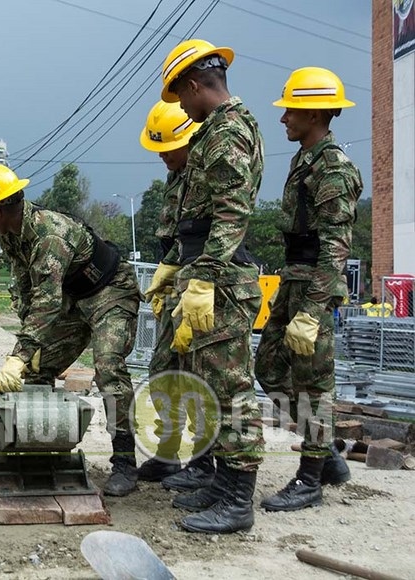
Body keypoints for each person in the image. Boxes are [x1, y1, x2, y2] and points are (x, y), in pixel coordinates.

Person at [0, 163, 142, 496]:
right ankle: (39, 450)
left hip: (110, 292)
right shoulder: (11, 236)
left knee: (108, 367)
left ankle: (125, 462)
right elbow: (26, 289)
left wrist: (19, 354)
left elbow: (47, 301)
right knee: (37, 369)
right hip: (73, 299)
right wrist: (30, 350)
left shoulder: (49, 235)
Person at [158, 39, 265, 533]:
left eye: (180, 96)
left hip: (220, 281)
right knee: (210, 388)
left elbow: (231, 212)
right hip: (206, 273)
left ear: (196, 85)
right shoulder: (218, 129)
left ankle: (238, 499)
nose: (181, 107)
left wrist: (202, 276)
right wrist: (177, 266)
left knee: (230, 390)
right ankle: (222, 484)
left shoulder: (227, 132)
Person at [255, 67, 363, 512]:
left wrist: (313, 310)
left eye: (291, 111)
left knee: (314, 384)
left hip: (314, 286)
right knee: (268, 367)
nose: (283, 118)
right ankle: (327, 455)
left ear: (315, 113)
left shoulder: (333, 168)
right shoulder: (305, 160)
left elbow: (336, 245)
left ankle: (310, 478)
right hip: (293, 279)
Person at [137, 100, 210, 486]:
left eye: (168, 147)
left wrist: (196, 282)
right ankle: (168, 452)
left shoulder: (206, 173)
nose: (162, 155)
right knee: (163, 369)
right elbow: (177, 236)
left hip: (202, 284)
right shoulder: (176, 177)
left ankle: (203, 462)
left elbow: (215, 233)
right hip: (179, 281)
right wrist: (167, 272)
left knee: (197, 374)